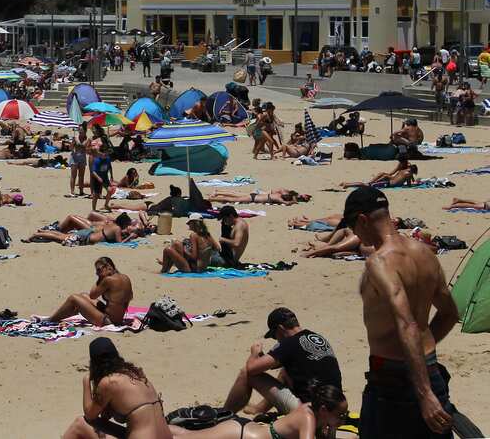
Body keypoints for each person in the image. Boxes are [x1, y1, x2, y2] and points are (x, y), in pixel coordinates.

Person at [343, 186, 460, 436]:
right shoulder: (425, 254)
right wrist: (420, 351)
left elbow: (405, 322)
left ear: (362, 219)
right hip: (429, 371)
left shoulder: (380, 261)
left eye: (353, 226)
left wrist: (424, 394)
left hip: (393, 384)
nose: (353, 233)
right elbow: (450, 313)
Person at [222, 307, 342, 416]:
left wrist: (254, 352)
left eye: (274, 336)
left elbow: (252, 368)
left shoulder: (289, 343)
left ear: (280, 328)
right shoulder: (317, 338)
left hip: (311, 412)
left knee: (246, 374)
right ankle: (260, 408)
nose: (276, 340)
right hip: (336, 406)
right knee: (285, 371)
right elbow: (294, 361)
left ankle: (225, 414)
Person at [61, 336, 170, 439]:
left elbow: (89, 415)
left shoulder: (109, 382)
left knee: (79, 423)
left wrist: (86, 381)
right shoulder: (136, 374)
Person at [169, 381, 348, 438]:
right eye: (340, 415)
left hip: (245, 430)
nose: (343, 420)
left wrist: (332, 427)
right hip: (239, 434)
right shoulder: (308, 418)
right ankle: (148, 425)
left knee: (187, 435)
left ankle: (156, 424)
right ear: (324, 410)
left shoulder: (313, 410)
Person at [45, 257, 133, 326]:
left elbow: (93, 295)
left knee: (73, 298)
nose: (96, 273)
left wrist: (100, 278)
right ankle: (69, 313)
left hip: (108, 320)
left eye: (99, 270)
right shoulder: (125, 277)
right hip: (118, 319)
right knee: (83, 295)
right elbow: (129, 297)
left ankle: (50, 320)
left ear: (108, 267)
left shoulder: (108, 280)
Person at [158, 215, 225, 273]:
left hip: (194, 268)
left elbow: (194, 256)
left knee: (167, 250)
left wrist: (185, 249)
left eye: (189, 223)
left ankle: (164, 270)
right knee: (177, 243)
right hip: (203, 267)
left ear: (193, 223)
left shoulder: (194, 236)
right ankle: (168, 266)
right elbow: (217, 248)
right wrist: (205, 252)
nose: (188, 225)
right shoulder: (207, 235)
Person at [206, 189, 310, 206]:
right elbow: (286, 203)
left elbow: (289, 196)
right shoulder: (279, 198)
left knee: (235, 195)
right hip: (253, 198)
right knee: (233, 199)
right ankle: (213, 199)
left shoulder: (279, 195)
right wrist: (293, 202)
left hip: (254, 196)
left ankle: (217, 194)